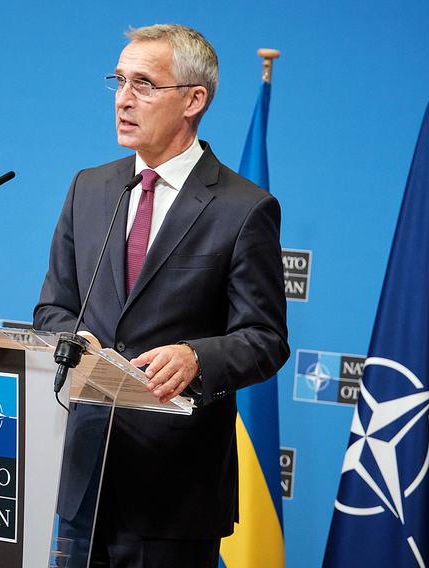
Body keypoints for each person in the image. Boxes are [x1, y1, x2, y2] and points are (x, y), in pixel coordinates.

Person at [34, 24, 289, 567]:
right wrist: (71, 340)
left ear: (194, 100)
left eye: (145, 84)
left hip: (176, 492)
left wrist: (198, 356)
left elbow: (265, 339)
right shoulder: (89, 187)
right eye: (120, 81)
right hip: (85, 480)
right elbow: (53, 309)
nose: (124, 99)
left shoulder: (243, 208)